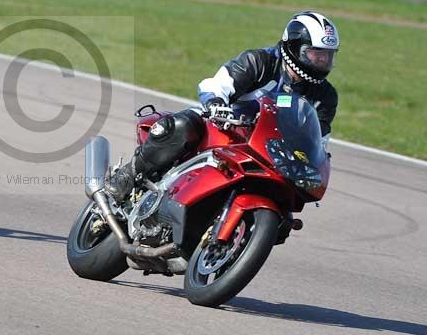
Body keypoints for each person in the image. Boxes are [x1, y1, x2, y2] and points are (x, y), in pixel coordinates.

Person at [106, 12, 340, 198]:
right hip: (224, 125)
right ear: (293, 47)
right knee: (182, 125)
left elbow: (318, 139)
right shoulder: (259, 61)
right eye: (315, 54)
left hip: (267, 149)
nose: (322, 62)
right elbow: (217, 84)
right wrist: (217, 103)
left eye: (327, 56)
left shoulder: (325, 96)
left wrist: (313, 164)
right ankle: (129, 175)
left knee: (288, 202)